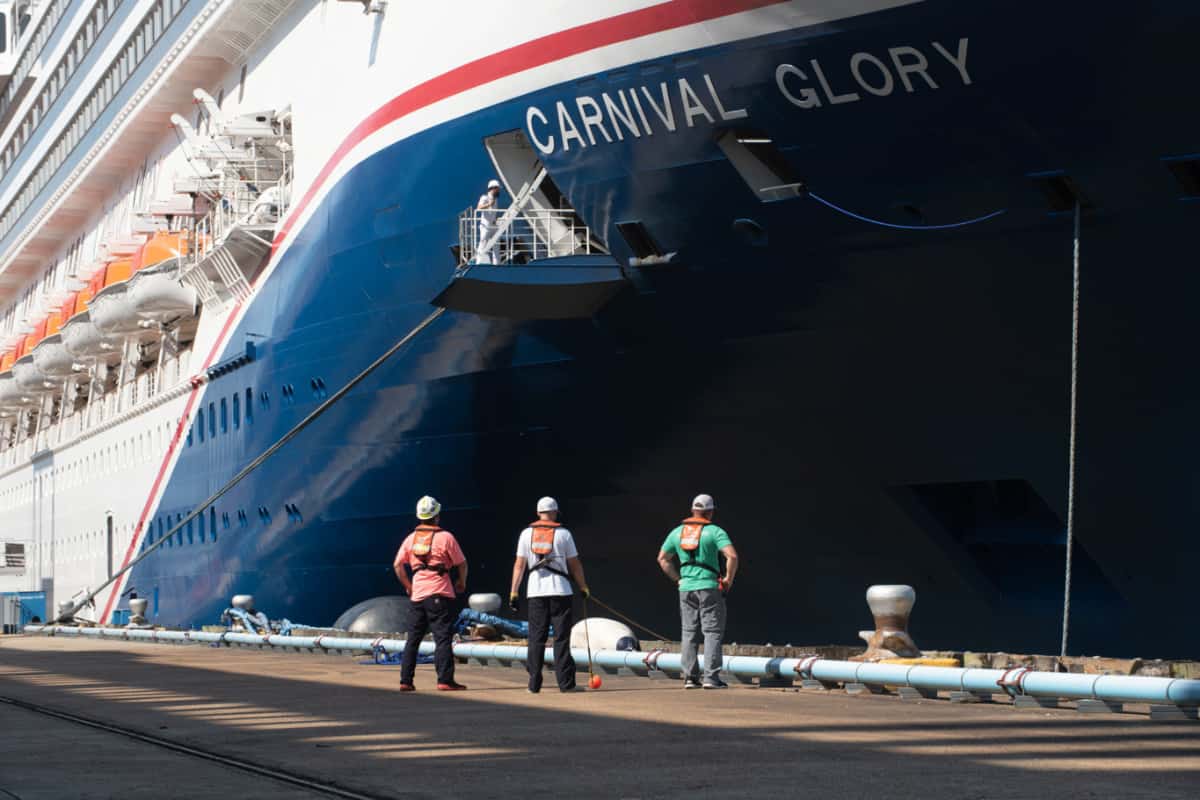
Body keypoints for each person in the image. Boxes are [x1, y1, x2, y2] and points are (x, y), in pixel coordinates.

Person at [656, 494, 738, 689]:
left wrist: (678, 579)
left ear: (693, 510)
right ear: (709, 512)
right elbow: (732, 556)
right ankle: (711, 678)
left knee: (688, 631)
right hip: (709, 587)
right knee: (712, 632)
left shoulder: (677, 532)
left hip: (685, 589)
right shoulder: (714, 532)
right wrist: (728, 580)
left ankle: (690, 678)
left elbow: (662, 559)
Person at [509, 496, 589, 693]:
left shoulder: (526, 534)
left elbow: (519, 565)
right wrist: (583, 586)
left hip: (535, 591)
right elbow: (574, 564)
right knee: (561, 638)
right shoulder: (564, 534)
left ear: (538, 513)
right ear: (554, 512)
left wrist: (514, 591)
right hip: (561, 591)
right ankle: (566, 684)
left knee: (536, 637)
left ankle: (533, 684)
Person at [393, 495, 468, 691]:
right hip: (439, 594)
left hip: (418, 596)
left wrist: (409, 586)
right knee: (442, 638)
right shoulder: (446, 538)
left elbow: (397, 565)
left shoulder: (410, 539)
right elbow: (462, 563)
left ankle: (405, 681)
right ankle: (445, 680)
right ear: (437, 516)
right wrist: (461, 582)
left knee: (413, 639)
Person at [475, 179, 503, 264]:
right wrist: (489, 204)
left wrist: (495, 219)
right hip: (485, 225)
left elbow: (493, 212)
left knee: (496, 245)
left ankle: (496, 264)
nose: (499, 191)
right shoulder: (485, 197)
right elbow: (479, 207)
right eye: (498, 189)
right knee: (483, 243)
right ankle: (479, 263)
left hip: (493, 225)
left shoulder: (496, 199)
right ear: (493, 188)